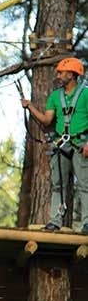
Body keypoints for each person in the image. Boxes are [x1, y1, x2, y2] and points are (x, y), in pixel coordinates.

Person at [21, 56, 88, 233]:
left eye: (61, 72)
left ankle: (87, 222)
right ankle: (55, 221)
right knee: (58, 185)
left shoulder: (86, 94)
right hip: (61, 144)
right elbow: (46, 119)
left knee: (84, 184)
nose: (58, 75)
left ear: (71, 75)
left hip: (81, 143)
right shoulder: (55, 96)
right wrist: (30, 106)